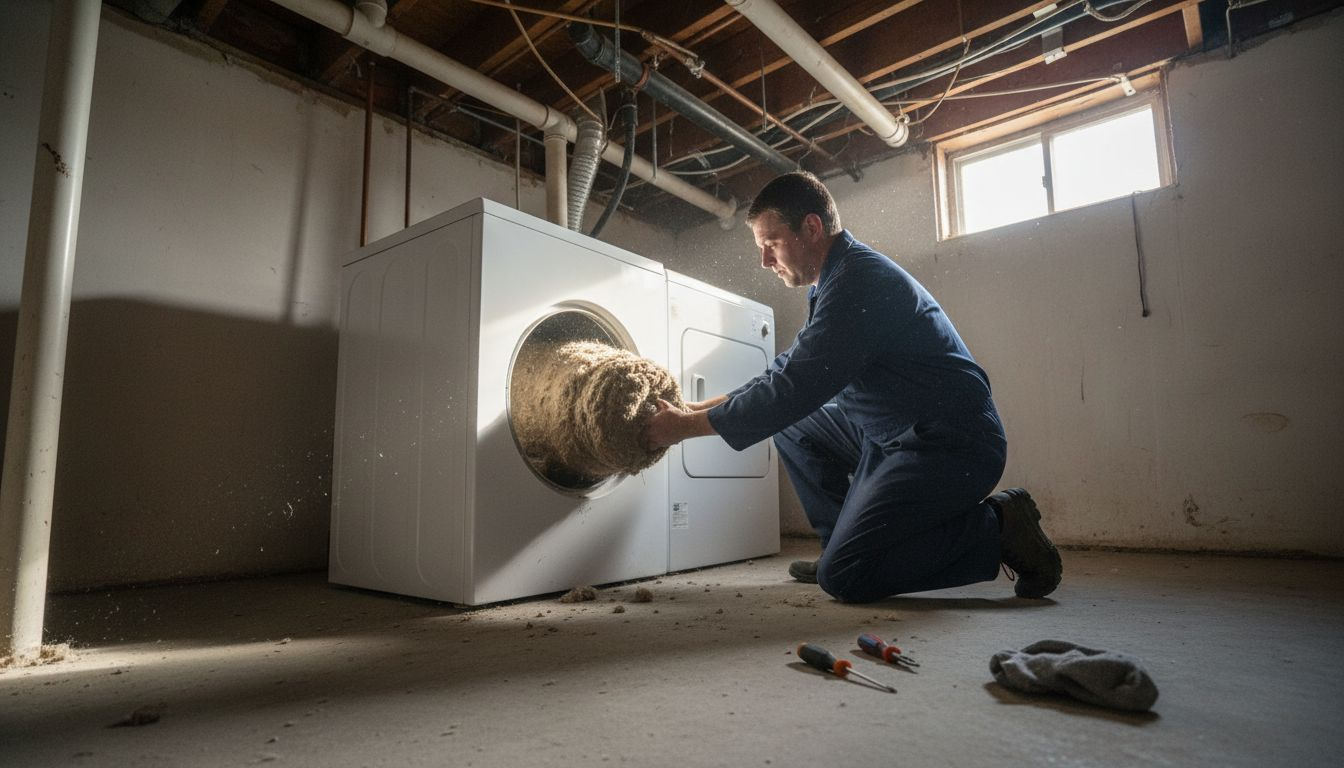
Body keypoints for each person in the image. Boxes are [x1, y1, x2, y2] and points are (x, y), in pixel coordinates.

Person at [643, 171, 1061, 602]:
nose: (765, 261)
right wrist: (691, 411)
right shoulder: (833, 282)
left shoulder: (859, 282)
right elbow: (784, 371)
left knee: (847, 577)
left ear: (811, 227)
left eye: (771, 243)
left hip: (950, 446)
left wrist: (681, 430)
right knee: (794, 426)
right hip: (891, 434)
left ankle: (1000, 528)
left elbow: (794, 387)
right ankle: (840, 546)